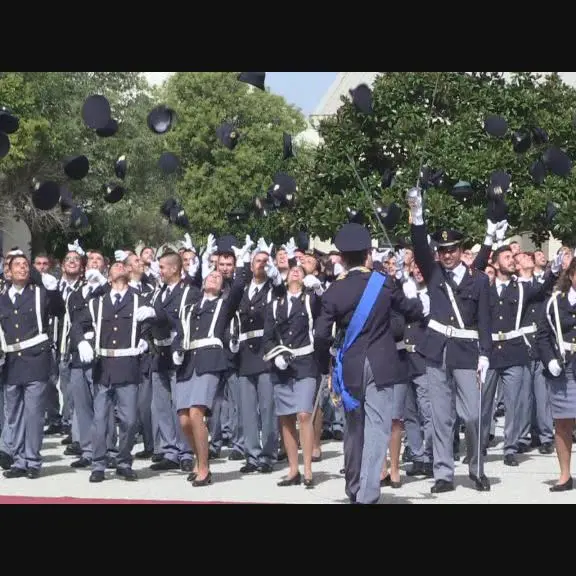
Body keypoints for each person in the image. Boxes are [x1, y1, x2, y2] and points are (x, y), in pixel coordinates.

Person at [314, 223, 423, 504]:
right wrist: (412, 290)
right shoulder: (383, 283)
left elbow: (322, 335)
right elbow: (410, 311)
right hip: (382, 363)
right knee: (377, 428)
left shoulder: (333, 292)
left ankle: (353, 487)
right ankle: (368, 492)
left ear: (342, 258)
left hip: (349, 365)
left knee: (353, 429)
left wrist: (325, 365)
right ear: (367, 255)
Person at [406, 186, 492, 493]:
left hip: (467, 352)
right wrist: (417, 215)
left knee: (473, 415)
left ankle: (476, 467)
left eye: (452, 250)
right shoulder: (434, 274)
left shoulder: (479, 280)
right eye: (442, 250)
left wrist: (485, 353)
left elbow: (484, 320)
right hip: (437, 351)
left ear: (461, 250)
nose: (446, 255)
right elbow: (418, 247)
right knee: (440, 417)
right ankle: (443, 473)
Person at [71, 261, 154, 483]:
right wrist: (82, 342)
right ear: (108, 277)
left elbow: (153, 327)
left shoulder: (140, 301)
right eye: (114, 266)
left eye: (122, 265)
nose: (119, 268)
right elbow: (77, 325)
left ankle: (124, 461)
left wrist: (147, 341)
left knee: (129, 421)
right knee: (100, 420)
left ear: (128, 273)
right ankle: (98, 463)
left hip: (128, 366)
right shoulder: (97, 303)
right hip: (104, 367)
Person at [172, 265, 245, 486]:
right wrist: (176, 350)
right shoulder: (189, 308)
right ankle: (198, 458)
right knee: (184, 419)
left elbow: (238, 290)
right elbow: (180, 334)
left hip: (210, 360)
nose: (214, 278)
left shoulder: (224, 305)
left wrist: (240, 265)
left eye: (218, 277)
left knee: (196, 413)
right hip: (188, 362)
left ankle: (204, 468)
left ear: (223, 286)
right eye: (210, 275)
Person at [0, 254, 65, 478]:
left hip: (36, 359)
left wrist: (54, 290)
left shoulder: (39, 293)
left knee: (34, 414)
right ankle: (18, 460)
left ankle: (33, 461)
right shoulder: (3, 298)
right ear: (8, 272)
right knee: (14, 415)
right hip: (11, 362)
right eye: (17, 265)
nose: (22, 268)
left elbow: (59, 310)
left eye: (25, 265)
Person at [262, 265, 323, 488]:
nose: (296, 272)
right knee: (285, 417)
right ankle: (293, 468)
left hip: (306, 362)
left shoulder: (309, 300)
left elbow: (323, 311)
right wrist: (275, 355)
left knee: (304, 414)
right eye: (292, 270)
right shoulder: (274, 304)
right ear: (286, 278)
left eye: (300, 270)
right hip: (282, 365)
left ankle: (307, 468)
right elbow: (267, 336)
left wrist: (318, 290)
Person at [536, 258, 576, 491]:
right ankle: (564, 475)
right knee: (563, 423)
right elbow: (542, 335)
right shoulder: (554, 302)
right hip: (564, 367)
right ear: (570, 274)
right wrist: (549, 359)